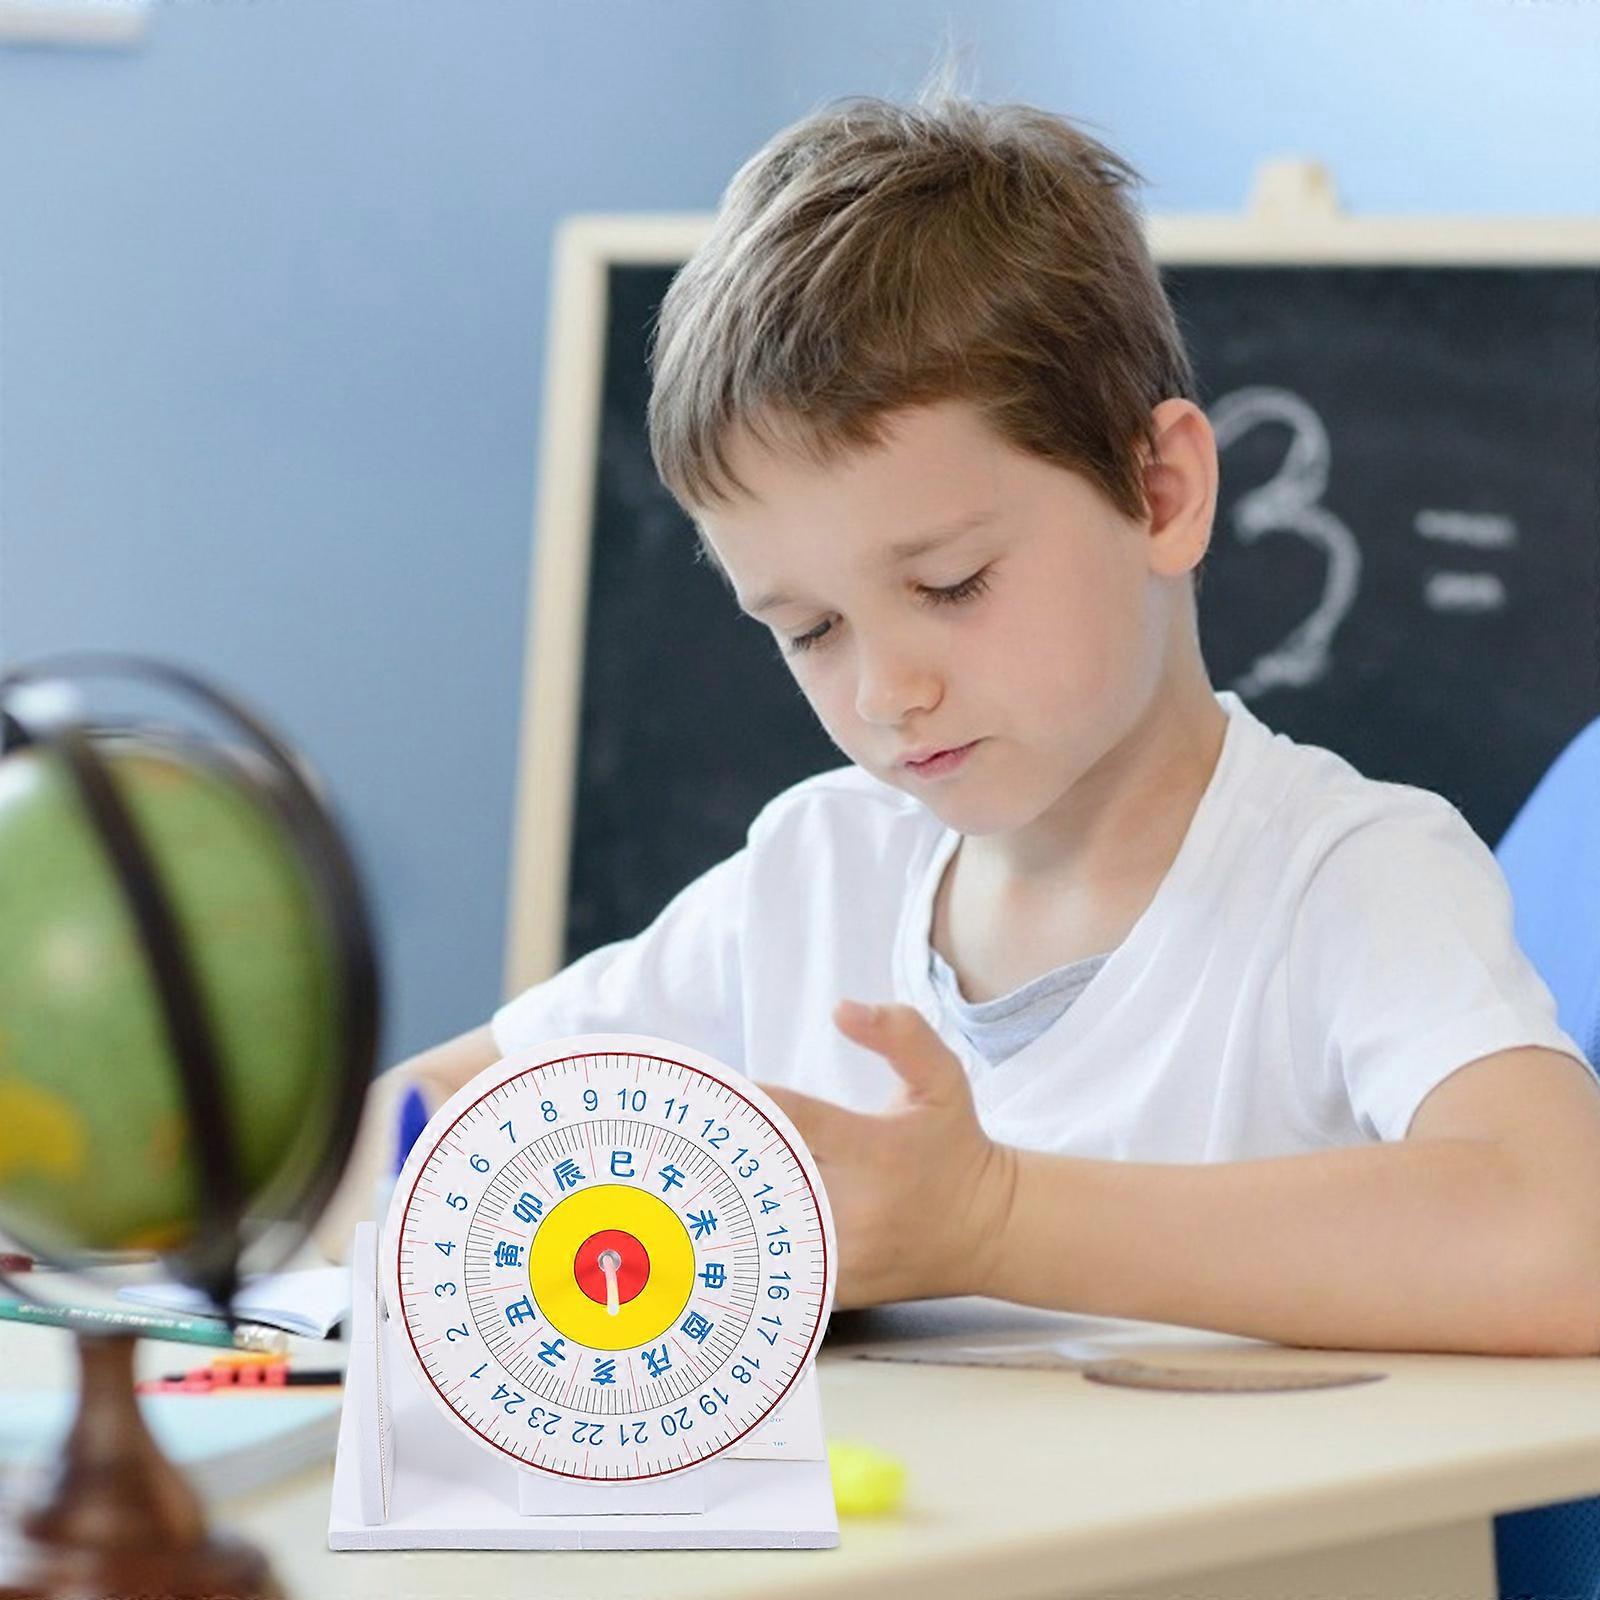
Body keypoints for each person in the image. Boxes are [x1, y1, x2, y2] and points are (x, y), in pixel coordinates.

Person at [320, 86, 1600, 1357]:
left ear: (1161, 494)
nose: (885, 691)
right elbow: (411, 1122)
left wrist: (991, 1222)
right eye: (809, 628)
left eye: (950, 586)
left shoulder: (1345, 881)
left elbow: (1569, 1242)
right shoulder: (815, 877)